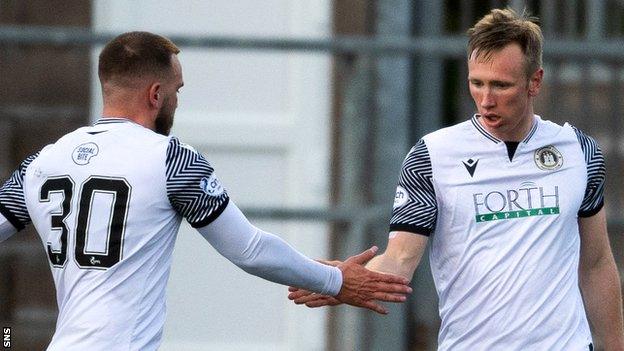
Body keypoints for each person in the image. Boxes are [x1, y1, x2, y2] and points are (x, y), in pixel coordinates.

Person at [0, 31, 412, 350]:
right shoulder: (170, 158)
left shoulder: (43, 162)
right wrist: (336, 280)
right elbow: (248, 249)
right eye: (177, 91)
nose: (177, 101)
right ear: (155, 95)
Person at [289, 8, 624, 350]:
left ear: (534, 82)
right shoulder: (432, 156)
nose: (486, 100)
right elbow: (400, 260)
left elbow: (596, 262)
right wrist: (336, 280)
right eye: (476, 83)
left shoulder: (578, 151)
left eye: (501, 86)